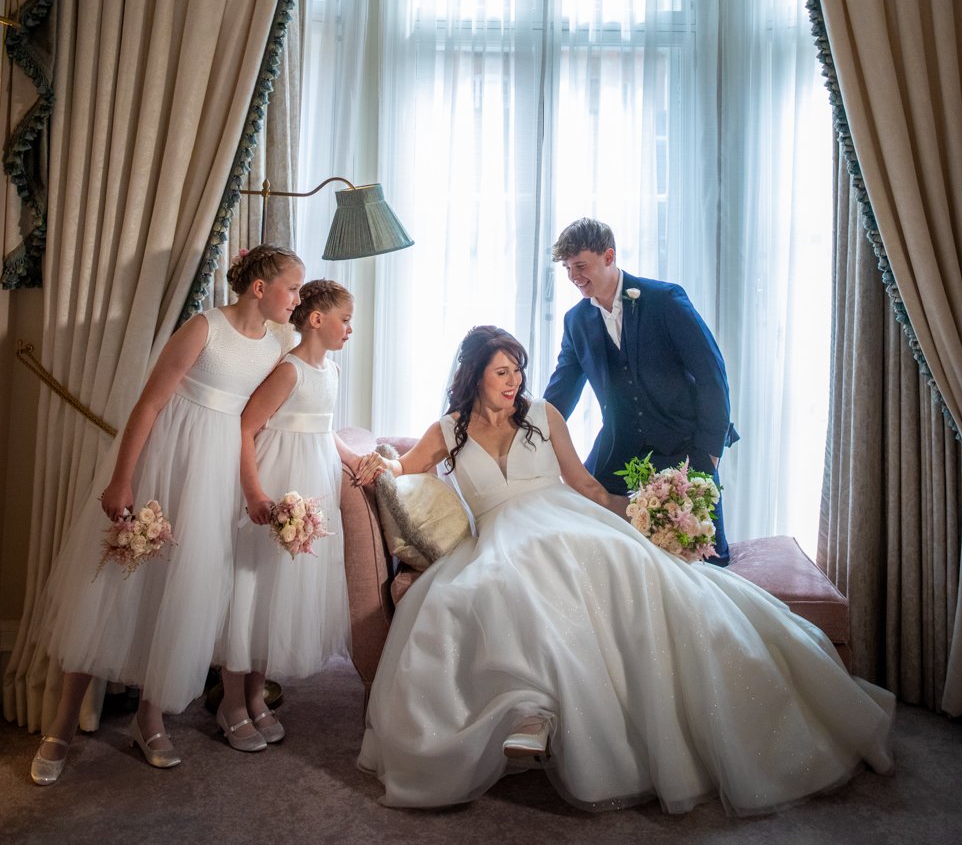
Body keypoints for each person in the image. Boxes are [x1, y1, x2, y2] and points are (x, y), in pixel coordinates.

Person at [355, 324, 893, 816]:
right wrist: (373, 463)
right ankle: (531, 711)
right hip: (499, 535)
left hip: (566, 516)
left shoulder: (543, 415)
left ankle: (552, 717)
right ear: (474, 375)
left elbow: (584, 486)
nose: (515, 381)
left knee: (629, 570)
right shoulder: (448, 429)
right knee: (493, 586)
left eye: (518, 369)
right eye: (503, 371)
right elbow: (402, 470)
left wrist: (643, 519)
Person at [29, 244, 304, 784]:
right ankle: (60, 726)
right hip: (167, 461)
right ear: (259, 288)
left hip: (215, 474)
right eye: (292, 288)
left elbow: (258, 423)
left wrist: (256, 490)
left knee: (183, 592)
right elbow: (150, 403)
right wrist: (122, 478)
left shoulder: (275, 347)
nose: (296, 298)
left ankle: (149, 719)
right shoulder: (205, 328)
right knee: (113, 584)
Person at [544, 217, 737, 562]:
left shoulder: (664, 300)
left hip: (683, 445)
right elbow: (562, 390)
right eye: (568, 268)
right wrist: (525, 424)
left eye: (581, 266)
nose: (574, 277)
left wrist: (709, 451)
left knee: (706, 557)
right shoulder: (576, 321)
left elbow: (712, 373)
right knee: (580, 534)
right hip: (619, 449)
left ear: (608, 256)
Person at [219, 279, 354, 748]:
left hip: (313, 485)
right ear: (316, 320)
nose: (349, 329)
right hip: (277, 483)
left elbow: (324, 429)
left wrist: (355, 461)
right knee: (251, 591)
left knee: (276, 595)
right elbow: (247, 426)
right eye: (345, 319)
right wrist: (256, 493)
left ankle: (257, 698)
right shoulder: (289, 371)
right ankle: (231, 704)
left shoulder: (332, 372)